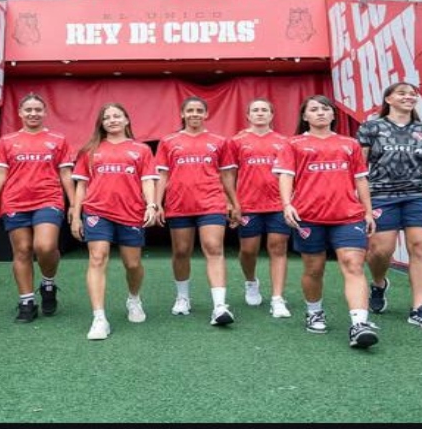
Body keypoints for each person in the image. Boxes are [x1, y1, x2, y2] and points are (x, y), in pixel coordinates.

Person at [275, 94, 379, 349]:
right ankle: (314, 311)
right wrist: (287, 204)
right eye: (314, 109)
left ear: (333, 115)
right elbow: (286, 176)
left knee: (353, 265)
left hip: (348, 215)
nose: (320, 113)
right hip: (308, 216)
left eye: (325, 109)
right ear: (305, 116)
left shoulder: (350, 144)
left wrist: (367, 211)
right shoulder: (294, 144)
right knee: (314, 269)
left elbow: (361, 179)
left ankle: (359, 323)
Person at [356, 82, 422, 330]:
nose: (409, 97)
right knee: (381, 251)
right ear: (388, 99)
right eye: (402, 93)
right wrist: (358, 197)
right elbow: (359, 164)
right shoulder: (371, 127)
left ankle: (419, 308)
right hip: (380, 195)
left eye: (413, 94)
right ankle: (379, 284)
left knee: (420, 248)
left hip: (419, 194)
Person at [69, 103, 158, 340]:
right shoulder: (90, 150)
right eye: (107, 117)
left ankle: (134, 298)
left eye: (117, 116)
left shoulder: (141, 150)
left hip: (131, 212)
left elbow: (148, 181)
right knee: (97, 258)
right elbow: (81, 186)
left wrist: (151, 204)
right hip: (97, 212)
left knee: (132, 264)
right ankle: (99, 318)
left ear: (127, 120)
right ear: (101, 123)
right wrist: (76, 215)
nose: (112, 120)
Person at [0, 93, 75, 323]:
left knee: (45, 246)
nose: (33, 114)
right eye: (28, 110)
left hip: (48, 199)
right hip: (15, 201)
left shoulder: (58, 139)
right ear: (20, 113)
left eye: (37, 110)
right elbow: (0, 172)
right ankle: (26, 302)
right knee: (22, 250)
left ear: (45, 113)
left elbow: (65, 173)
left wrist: (74, 204)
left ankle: (48, 283)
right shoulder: (7, 140)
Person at [154, 96, 239, 326]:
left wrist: (233, 202)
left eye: (199, 110)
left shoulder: (220, 141)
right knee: (181, 251)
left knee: (213, 248)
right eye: (190, 110)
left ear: (206, 114)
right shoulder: (168, 141)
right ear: (182, 114)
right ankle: (183, 297)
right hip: (179, 204)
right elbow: (162, 174)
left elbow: (227, 175)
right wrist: (157, 202)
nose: (194, 114)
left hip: (211, 202)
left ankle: (220, 306)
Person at [221, 98, 292, 319]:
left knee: (277, 248)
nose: (260, 113)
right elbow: (228, 174)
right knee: (249, 250)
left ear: (271, 115)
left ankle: (278, 299)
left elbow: (290, 174)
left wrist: (290, 201)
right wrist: (232, 202)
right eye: (255, 110)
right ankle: (251, 282)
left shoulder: (284, 141)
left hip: (277, 204)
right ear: (248, 116)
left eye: (264, 110)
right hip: (248, 204)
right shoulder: (236, 141)